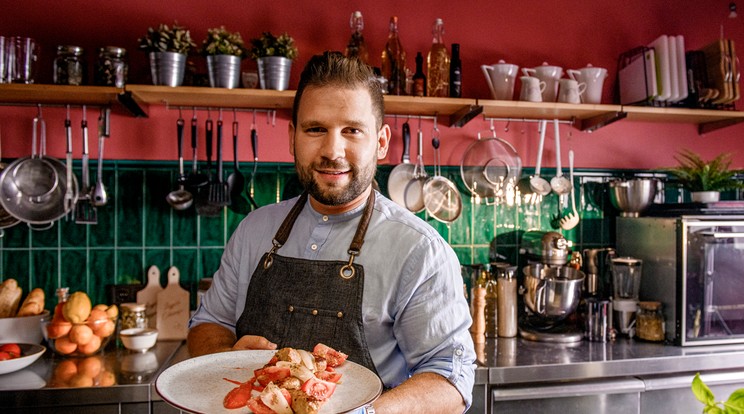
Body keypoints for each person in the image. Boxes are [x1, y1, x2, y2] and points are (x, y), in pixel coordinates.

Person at [187, 51, 476, 413]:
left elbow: (451, 378)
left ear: (382, 141)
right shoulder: (252, 231)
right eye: (315, 129)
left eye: (352, 130)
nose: (332, 150)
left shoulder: (419, 250)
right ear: (293, 137)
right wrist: (227, 358)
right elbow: (207, 325)